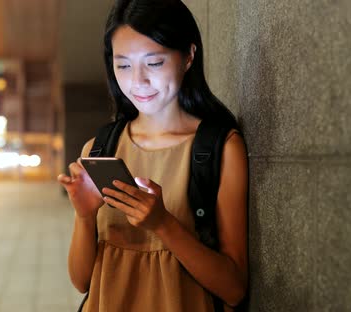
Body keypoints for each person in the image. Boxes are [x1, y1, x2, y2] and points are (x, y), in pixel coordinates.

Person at [57, 0, 248, 311]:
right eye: (123, 65)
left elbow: (234, 288)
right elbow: (82, 283)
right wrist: (84, 215)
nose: (138, 81)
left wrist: (163, 224)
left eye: (154, 63)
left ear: (188, 56)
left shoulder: (219, 148)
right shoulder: (99, 148)